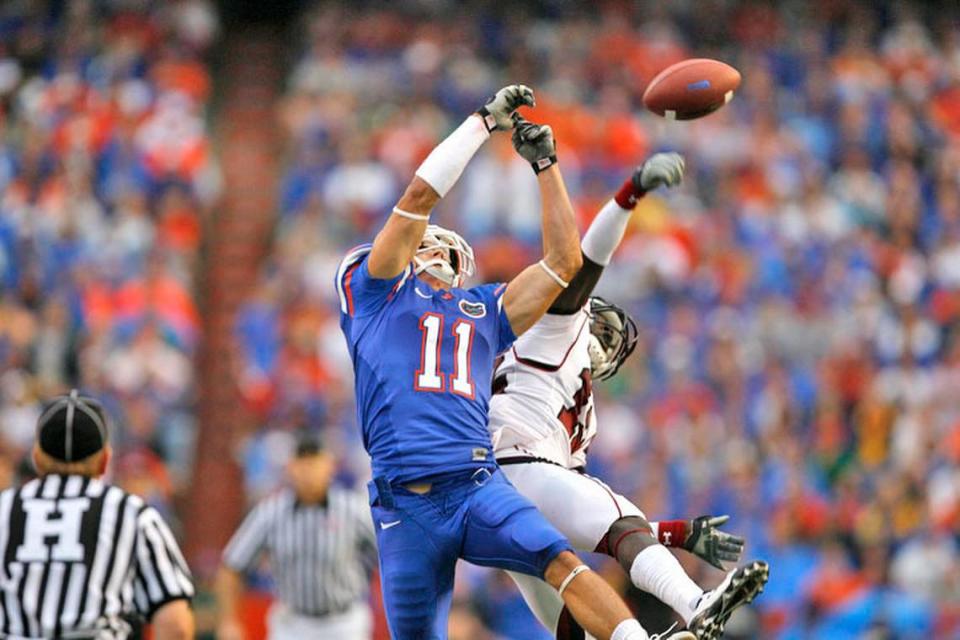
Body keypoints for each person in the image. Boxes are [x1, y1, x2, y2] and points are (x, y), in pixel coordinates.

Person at [336, 85, 693, 640]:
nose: (435, 252)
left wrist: (547, 165)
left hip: (476, 481)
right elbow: (418, 196)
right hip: (402, 502)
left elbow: (564, 263)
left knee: (562, 563)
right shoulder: (379, 299)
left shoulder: (480, 308)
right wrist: (481, 123)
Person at [489, 157, 769, 640]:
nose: (600, 335)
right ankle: (696, 603)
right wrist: (629, 194)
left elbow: (582, 517)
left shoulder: (576, 404)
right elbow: (587, 259)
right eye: (594, 323)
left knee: (572, 610)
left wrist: (676, 534)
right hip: (520, 467)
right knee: (619, 524)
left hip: (495, 494)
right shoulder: (554, 329)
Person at [0, 390, 194, 639]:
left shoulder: (5, 510)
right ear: (104, 460)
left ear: (37, 458)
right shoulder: (132, 515)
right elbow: (174, 623)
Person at [215, 433, 377, 640]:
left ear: (330, 466)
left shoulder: (352, 509)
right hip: (292, 623)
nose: (308, 472)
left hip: (343, 622)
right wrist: (228, 621)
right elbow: (232, 567)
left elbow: (389, 555)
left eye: (314, 463)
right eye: (302, 464)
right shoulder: (270, 513)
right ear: (290, 467)